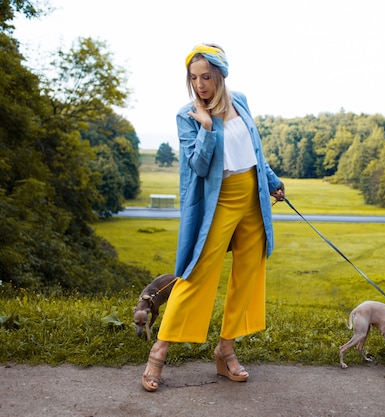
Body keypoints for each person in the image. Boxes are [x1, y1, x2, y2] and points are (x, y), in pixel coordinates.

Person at [141, 43, 285, 392]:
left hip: (252, 196)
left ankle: (226, 351)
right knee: (197, 275)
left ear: (220, 75)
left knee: (248, 276)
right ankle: (158, 354)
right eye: (194, 78)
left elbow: (255, 152)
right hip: (219, 202)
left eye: (206, 76)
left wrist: (272, 182)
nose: (200, 84)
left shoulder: (242, 102)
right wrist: (206, 127)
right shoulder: (188, 115)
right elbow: (198, 165)